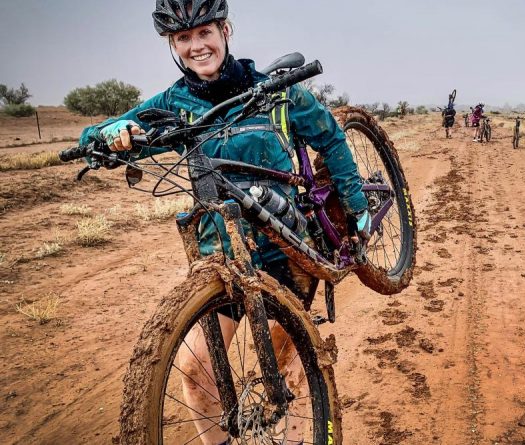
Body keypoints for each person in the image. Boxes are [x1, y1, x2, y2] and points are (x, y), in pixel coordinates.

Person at [78, 1, 371, 443]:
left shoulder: (274, 91)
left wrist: (355, 204)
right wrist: (104, 137)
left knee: (284, 364)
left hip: (285, 247)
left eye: (204, 33)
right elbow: (114, 128)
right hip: (224, 255)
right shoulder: (172, 105)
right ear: (172, 45)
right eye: (183, 39)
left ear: (225, 30)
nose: (196, 46)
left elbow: (330, 135)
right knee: (196, 374)